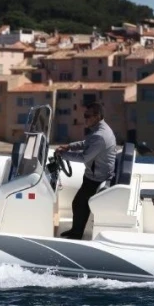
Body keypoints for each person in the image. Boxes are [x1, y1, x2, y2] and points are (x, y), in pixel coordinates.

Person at [56, 102, 117, 240]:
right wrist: (68, 147)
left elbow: (84, 157)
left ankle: (76, 234)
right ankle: (76, 231)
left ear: (97, 116)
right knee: (80, 204)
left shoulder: (100, 135)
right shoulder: (98, 130)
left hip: (97, 178)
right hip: (93, 174)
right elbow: (85, 144)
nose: (85, 119)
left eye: (87, 116)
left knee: (79, 203)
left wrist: (63, 155)